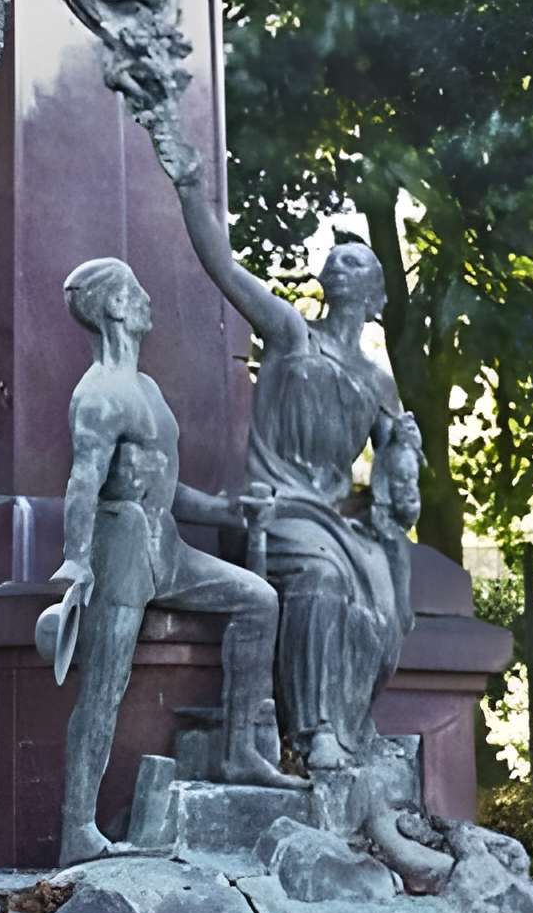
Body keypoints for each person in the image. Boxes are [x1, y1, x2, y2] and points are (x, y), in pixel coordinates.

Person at [151, 130, 423, 771]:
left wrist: (404, 459)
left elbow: (396, 456)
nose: (340, 262)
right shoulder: (290, 333)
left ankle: (349, 724)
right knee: (324, 579)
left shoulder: (378, 378)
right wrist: (192, 188)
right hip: (279, 513)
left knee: (379, 605)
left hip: (340, 519)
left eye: (357, 261)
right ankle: (315, 730)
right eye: (338, 257)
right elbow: (222, 265)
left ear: (375, 292)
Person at [44, 255, 305, 864]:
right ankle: (77, 830)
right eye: (135, 291)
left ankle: (241, 750)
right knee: (105, 687)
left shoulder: (150, 391)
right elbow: (83, 483)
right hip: (122, 548)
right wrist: (77, 561)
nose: (147, 299)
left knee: (259, 600)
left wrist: (228, 512)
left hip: (167, 545)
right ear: (113, 306)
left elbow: (163, 487)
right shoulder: (100, 395)